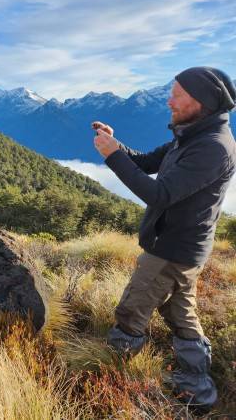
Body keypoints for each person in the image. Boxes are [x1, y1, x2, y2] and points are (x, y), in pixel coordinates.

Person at [92, 66, 236, 412]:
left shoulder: (213, 147)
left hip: (172, 249)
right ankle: (199, 390)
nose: (169, 101)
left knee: (131, 313)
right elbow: (145, 161)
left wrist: (111, 156)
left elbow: (159, 194)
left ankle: (112, 384)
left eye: (177, 95)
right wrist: (117, 144)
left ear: (200, 102)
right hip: (184, 247)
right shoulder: (192, 135)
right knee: (180, 312)